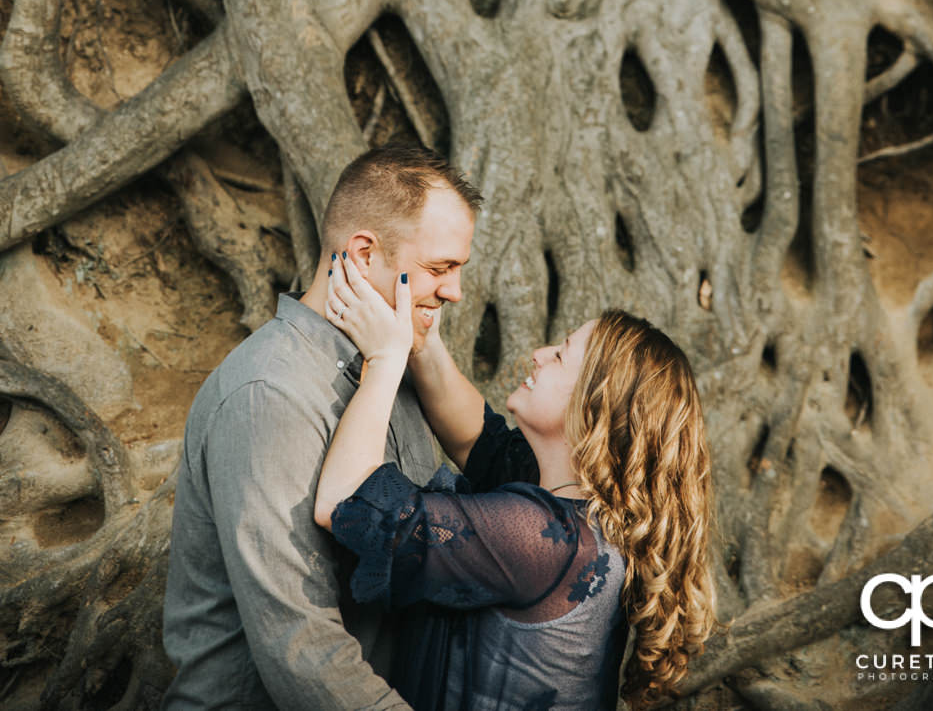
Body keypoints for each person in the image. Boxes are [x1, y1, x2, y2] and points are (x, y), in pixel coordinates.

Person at [161, 140, 481, 711]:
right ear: (361, 255)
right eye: (439, 269)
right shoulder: (271, 394)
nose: (455, 291)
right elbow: (301, 646)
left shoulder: (387, 363)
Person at [316, 256, 716, 711]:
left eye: (561, 354)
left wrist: (385, 360)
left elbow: (346, 503)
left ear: (592, 411)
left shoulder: (544, 541)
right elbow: (475, 438)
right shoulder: (583, 516)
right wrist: (420, 343)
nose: (539, 354)